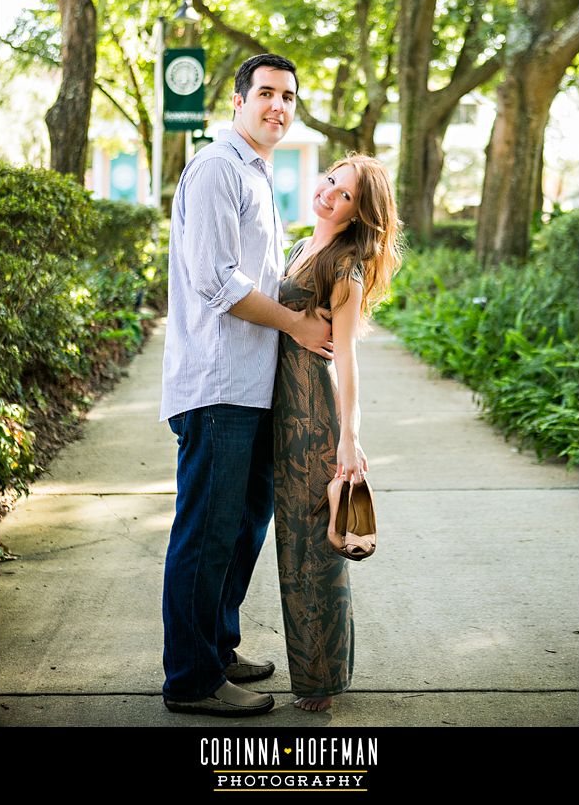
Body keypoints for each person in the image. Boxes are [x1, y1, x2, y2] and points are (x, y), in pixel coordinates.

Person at [159, 53, 334, 717]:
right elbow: (218, 280)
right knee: (206, 533)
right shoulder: (215, 169)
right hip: (217, 385)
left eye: (288, 96)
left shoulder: (257, 176)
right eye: (265, 93)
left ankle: (217, 646)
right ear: (237, 100)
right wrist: (294, 322)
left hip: (253, 388)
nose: (278, 106)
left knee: (240, 529)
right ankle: (191, 679)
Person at [273, 153, 402, 712]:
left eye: (344, 194)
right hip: (283, 414)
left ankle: (322, 683)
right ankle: (318, 672)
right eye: (330, 180)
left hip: (314, 419)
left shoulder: (343, 266)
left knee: (313, 554)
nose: (328, 193)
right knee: (291, 548)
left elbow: (345, 357)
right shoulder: (305, 246)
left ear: (357, 214)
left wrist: (350, 437)